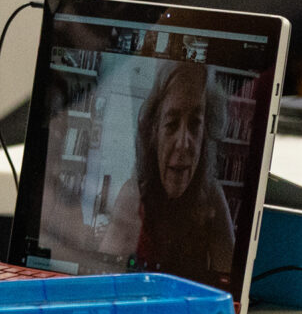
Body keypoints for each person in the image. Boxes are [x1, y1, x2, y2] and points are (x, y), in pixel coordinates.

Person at [97, 61, 238, 283]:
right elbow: (102, 278)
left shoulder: (212, 197)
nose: (183, 144)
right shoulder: (133, 195)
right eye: (171, 125)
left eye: (195, 125)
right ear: (154, 133)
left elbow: (231, 285)